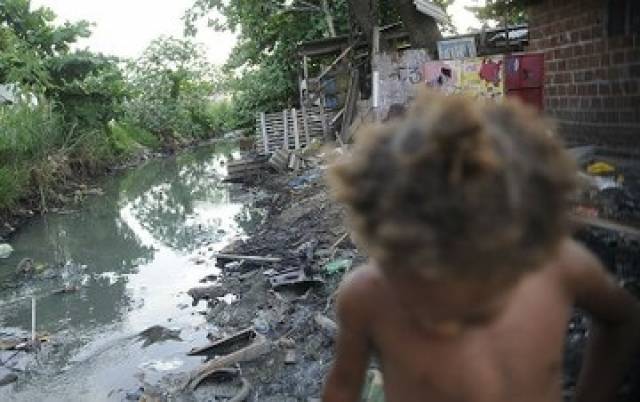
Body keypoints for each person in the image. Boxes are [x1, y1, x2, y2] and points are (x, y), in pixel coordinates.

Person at [322, 91, 640, 402]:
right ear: (391, 250)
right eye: (427, 285)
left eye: (485, 282)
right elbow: (342, 389)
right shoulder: (367, 295)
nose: (451, 319)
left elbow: (622, 319)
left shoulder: (558, 265)